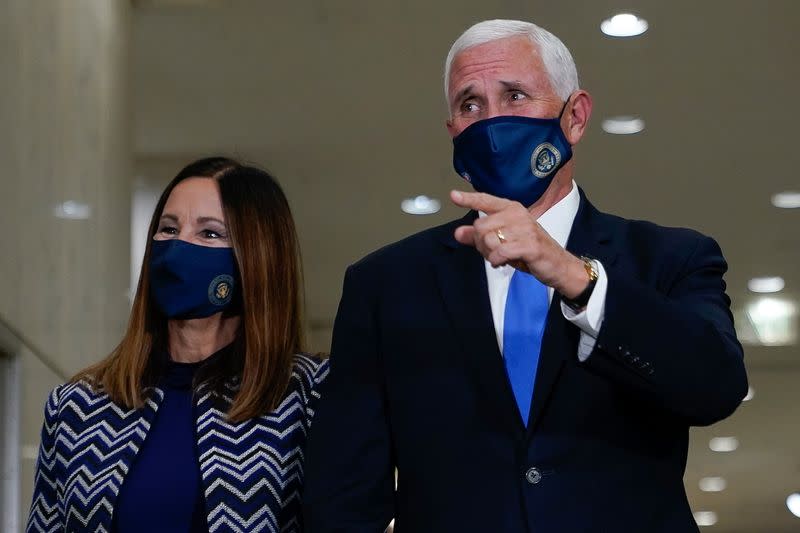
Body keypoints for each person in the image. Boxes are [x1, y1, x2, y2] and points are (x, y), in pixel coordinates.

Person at [303, 19, 747, 532]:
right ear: (452, 131)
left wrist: (575, 277)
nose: (492, 121)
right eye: (471, 105)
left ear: (575, 117)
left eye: (515, 96)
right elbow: (343, 495)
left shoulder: (670, 258)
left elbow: (716, 385)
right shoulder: (385, 285)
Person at [27, 157, 328, 533]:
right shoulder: (77, 407)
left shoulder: (308, 396)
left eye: (210, 234)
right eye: (169, 229)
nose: (177, 249)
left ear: (257, 257)